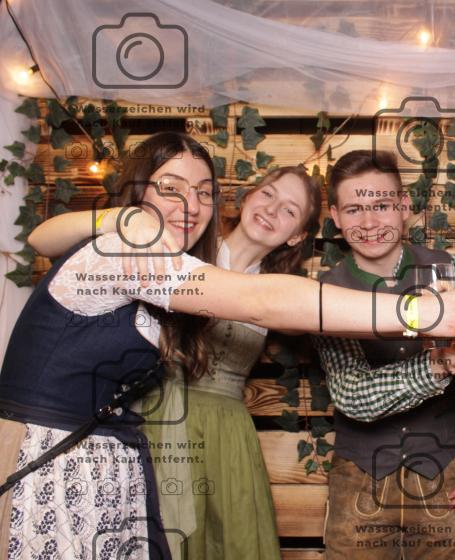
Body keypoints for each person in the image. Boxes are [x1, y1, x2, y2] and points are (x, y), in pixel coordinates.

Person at [0, 132, 455, 560]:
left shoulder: (170, 262)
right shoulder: (130, 251)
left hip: (107, 452)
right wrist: (424, 316)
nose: (189, 205)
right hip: (54, 452)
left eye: (202, 192)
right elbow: (261, 302)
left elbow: (271, 298)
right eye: (170, 188)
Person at [27, 163, 324, 559]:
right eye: (268, 194)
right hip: (156, 420)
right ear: (247, 197)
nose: (271, 209)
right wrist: (123, 220)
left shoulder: (281, 291)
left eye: (289, 209)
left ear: (297, 235)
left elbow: (311, 312)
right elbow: (40, 239)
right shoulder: (182, 249)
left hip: (227, 438)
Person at [312, 150, 455, 559]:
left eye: (381, 205)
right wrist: (438, 363)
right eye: (354, 209)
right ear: (336, 217)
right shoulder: (325, 293)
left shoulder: (450, 269)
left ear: (404, 206)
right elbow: (353, 396)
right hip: (360, 478)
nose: (369, 223)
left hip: (445, 472)